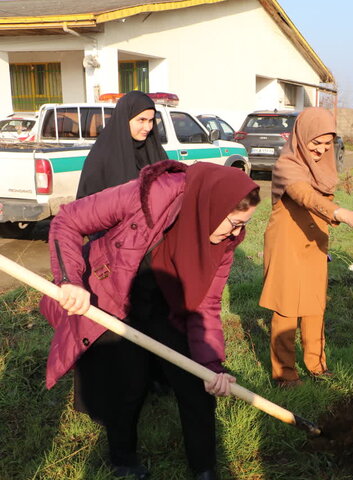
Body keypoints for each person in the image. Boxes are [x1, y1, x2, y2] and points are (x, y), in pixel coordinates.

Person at [40, 160, 260, 480]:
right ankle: (123, 458)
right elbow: (68, 219)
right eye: (234, 223)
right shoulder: (152, 195)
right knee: (128, 382)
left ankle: (204, 468)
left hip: (165, 308)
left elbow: (207, 306)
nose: (237, 233)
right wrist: (70, 280)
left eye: (244, 224)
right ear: (211, 207)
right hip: (116, 296)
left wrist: (211, 366)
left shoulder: (224, 243)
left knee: (196, 386)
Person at [259, 107, 353, 388]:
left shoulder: (323, 165)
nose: (321, 151)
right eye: (315, 144)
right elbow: (304, 195)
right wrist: (344, 214)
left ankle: (317, 366)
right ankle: (284, 374)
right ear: (301, 138)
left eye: (327, 145)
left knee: (315, 306)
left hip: (314, 243)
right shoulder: (286, 165)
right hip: (286, 244)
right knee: (287, 309)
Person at [77, 90, 167, 199]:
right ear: (125, 119)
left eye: (151, 120)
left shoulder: (154, 151)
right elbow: (86, 205)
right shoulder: (101, 158)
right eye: (141, 120)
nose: (148, 127)